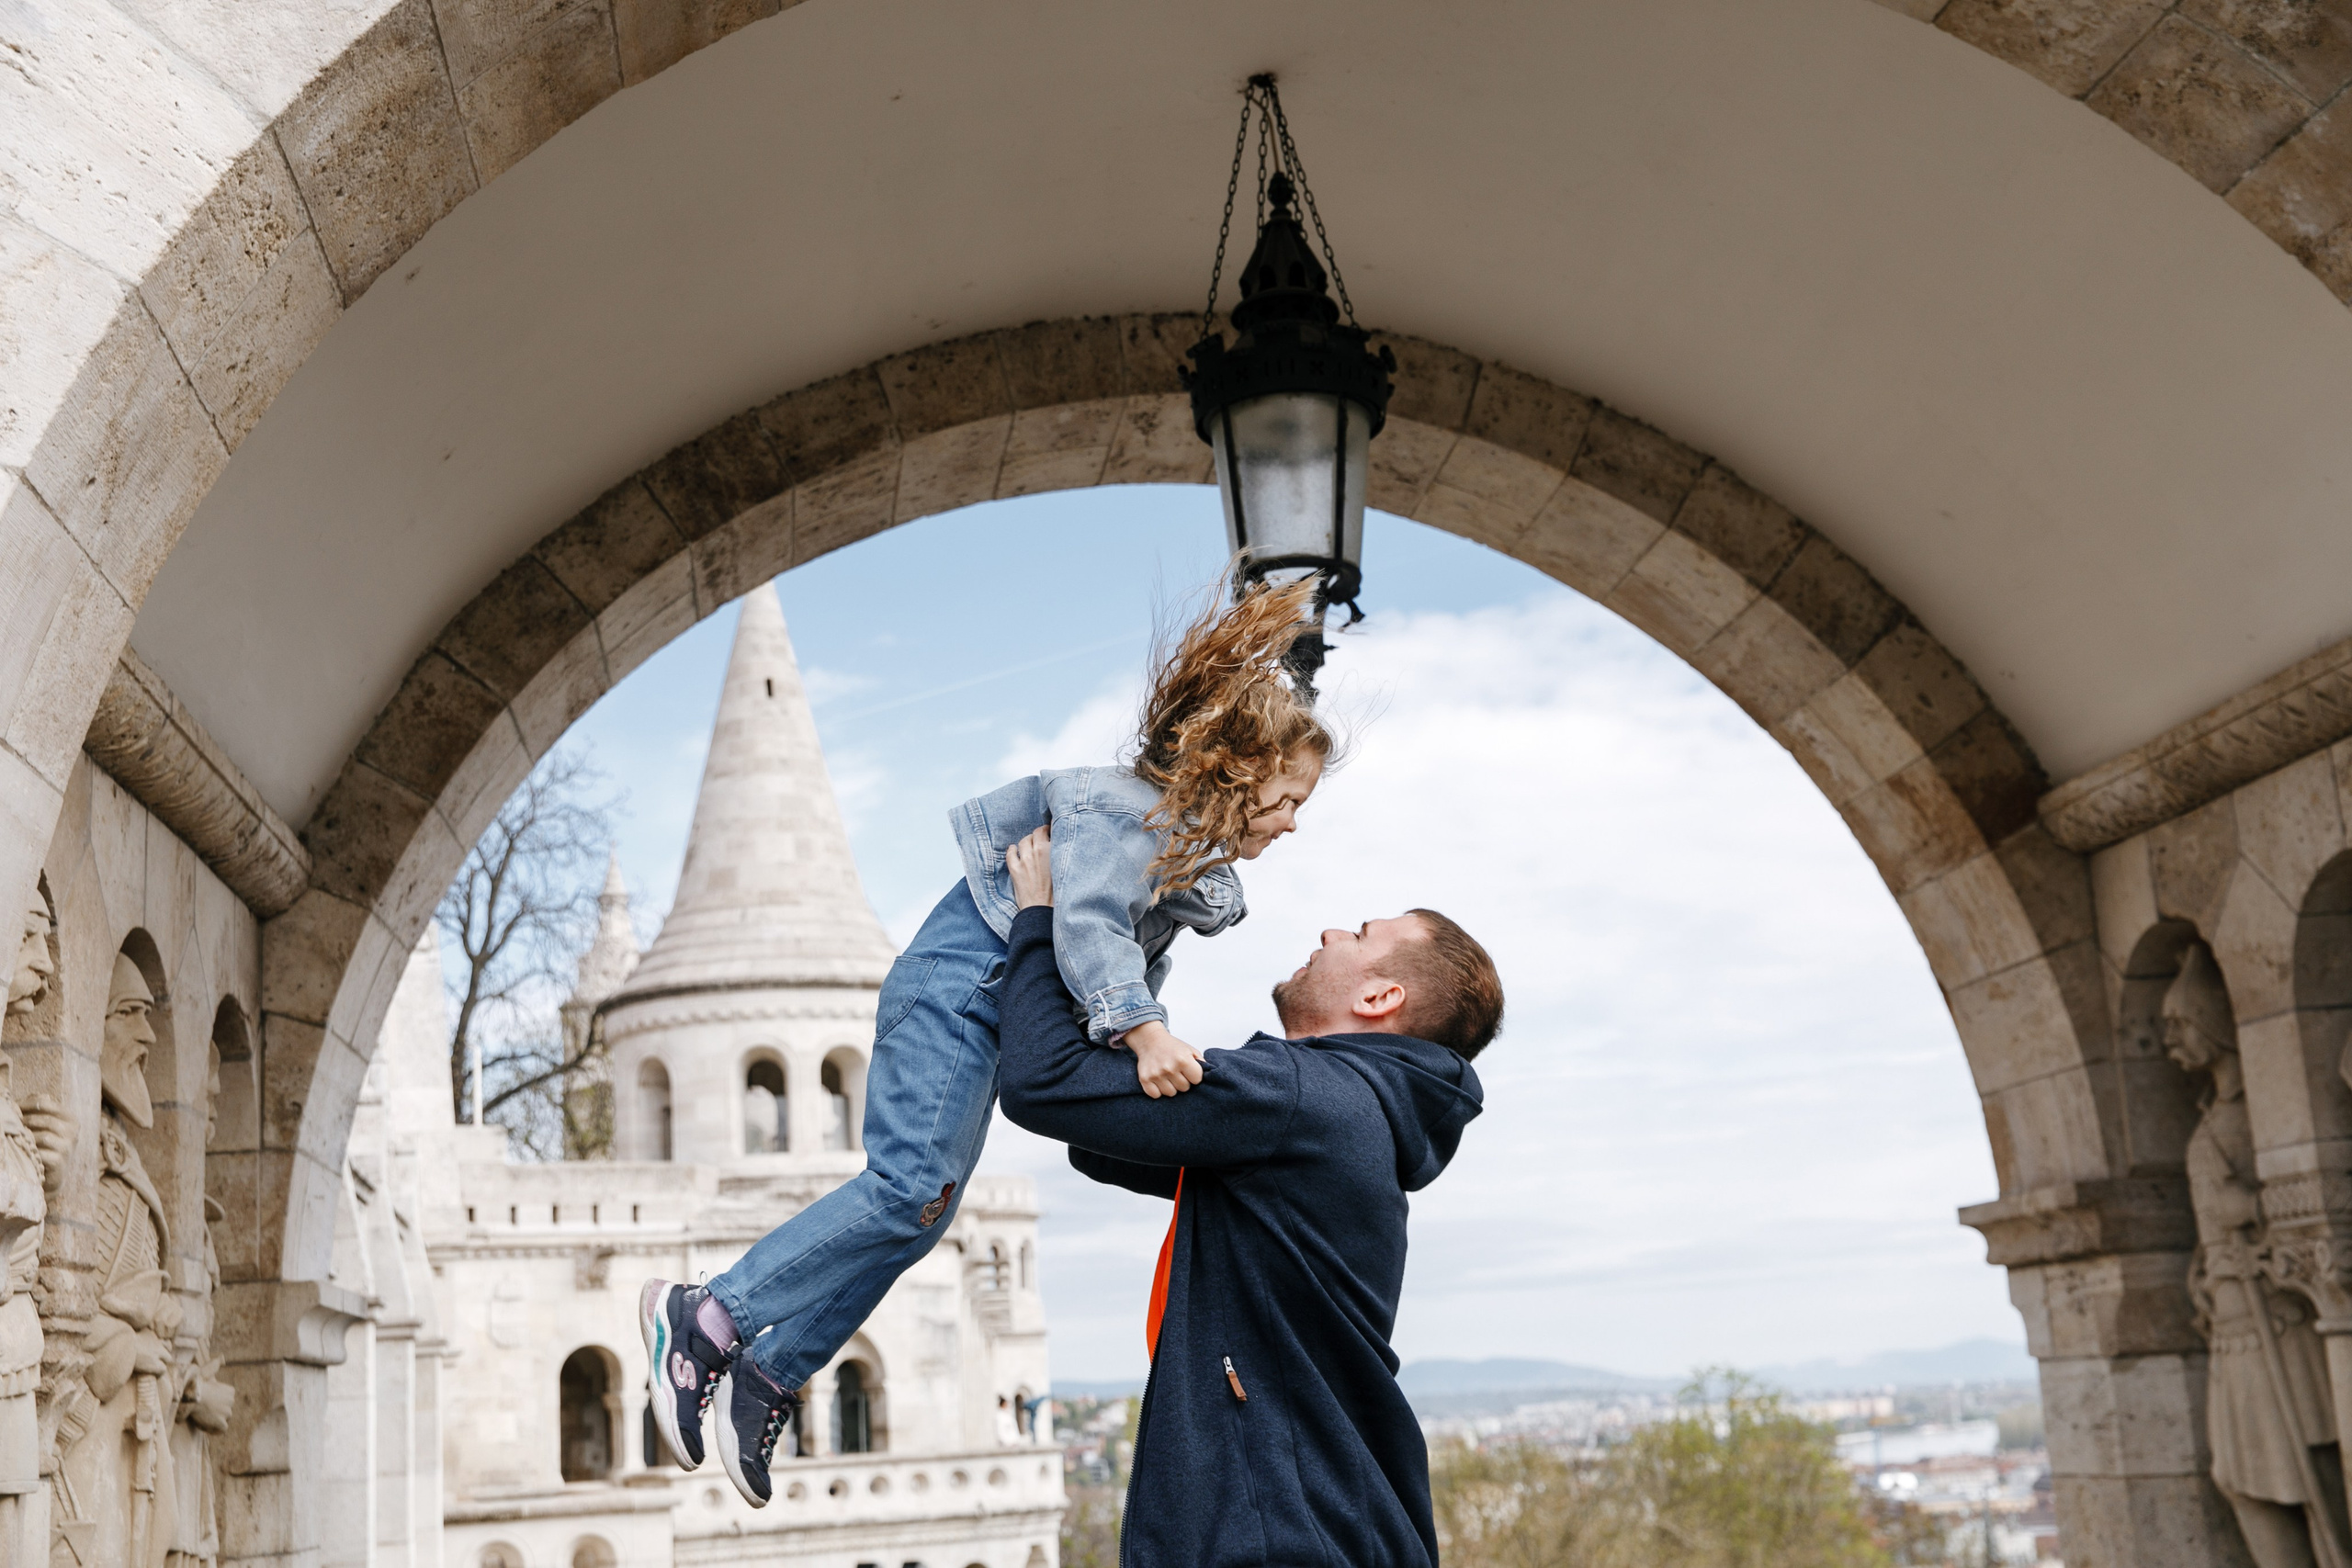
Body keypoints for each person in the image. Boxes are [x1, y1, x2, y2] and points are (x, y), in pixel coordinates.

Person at [641, 580, 1336, 1506]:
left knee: (921, 1210)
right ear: (1238, 768)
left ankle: (772, 1373)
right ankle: (709, 1316)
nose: (1291, 823)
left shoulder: (1169, 855)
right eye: (1287, 799)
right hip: (951, 993)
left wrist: (1126, 1041)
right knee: (903, 1187)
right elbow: (1084, 932)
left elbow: (1110, 955)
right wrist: (1145, 1034)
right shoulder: (1123, 815)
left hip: (976, 1003)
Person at [993, 825, 1503, 1568]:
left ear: (1380, 994)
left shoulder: (1304, 1096)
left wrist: (1039, 922)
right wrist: (1119, 977)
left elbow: (1043, 1084)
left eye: (1361, 933)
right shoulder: (1344, 1115)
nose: (1332, 930)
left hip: (1277, 1535)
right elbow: (1102, 1139)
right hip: (1323, 1528)